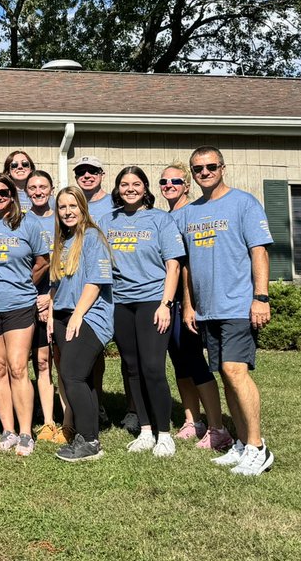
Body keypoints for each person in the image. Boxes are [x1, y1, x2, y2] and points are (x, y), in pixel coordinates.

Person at [176, 146, 275, 475]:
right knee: (225, 374)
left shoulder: (243, 203)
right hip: (207, 310)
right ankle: (242, 443)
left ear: (223, 168)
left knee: (235, 371)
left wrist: (261, 297)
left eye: (210, 166)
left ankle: (258, 448)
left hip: (237, 304)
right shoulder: (189, 213)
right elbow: (187, 265)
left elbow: (259, 251)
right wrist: (189, 305)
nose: (204, 172)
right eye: (198, 168)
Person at [107, 167, 186, 458]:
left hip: (153, 301)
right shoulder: (107, 221)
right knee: (132, 368)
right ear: (117, 189)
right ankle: (144, 429)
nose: (130, 189)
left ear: (145, 188)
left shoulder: (161, 219)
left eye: (136, 184)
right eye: (124, 184)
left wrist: (166, 304)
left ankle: (164, 434)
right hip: (120, 303)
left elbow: (173, 265)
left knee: (153, 367)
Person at [0, 173, 50, 456]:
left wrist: (24, 282)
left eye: (3, 192)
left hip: (19, 304)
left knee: (18, 367)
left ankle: (26, 433)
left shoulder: (28, 223)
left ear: (12, 196)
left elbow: (43, 261)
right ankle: (8, 431)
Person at [159, 163, 230, 448]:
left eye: (175, 181)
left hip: (187, 301)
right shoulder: (166, 217)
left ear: (186, 186)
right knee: (180, 362)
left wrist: (188, 305)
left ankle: (217, 426)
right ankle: (193, 420)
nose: (169, 185)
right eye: (164, 182)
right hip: (169, 301)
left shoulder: (192, 214)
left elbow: (188, 264)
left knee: (195, 361)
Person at [48, 186, 115, 463]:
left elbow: (96, 282)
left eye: (72, 206)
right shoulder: (63, 241)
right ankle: (87, 436)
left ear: (82, 208)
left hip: (89, 316)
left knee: (72, 374)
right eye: (62, 207)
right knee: (79, 378)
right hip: (63, 316)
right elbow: (56, 284)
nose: (67, 212)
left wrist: (78, 315)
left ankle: (90, 442)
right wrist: (51, 315)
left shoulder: (92, 237)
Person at [24, 170, 67, 445]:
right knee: (41, 362)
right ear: (26, 191)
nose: (38, 192)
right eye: (33, 187)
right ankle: (48, 421)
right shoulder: (21, 221)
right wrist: (35, 297)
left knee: (62, 362)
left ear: (51, 189)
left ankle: (68, 419)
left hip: (61, 298)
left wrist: (50, 298)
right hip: (31, 299)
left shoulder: (62, 219)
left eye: (43, 187)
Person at [73, 156, 113, 224]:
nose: (87, 176)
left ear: (102, 176)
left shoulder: (116, 203)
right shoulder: (70, 205)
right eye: (81, 172)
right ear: (76, 178)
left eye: (92, 171)